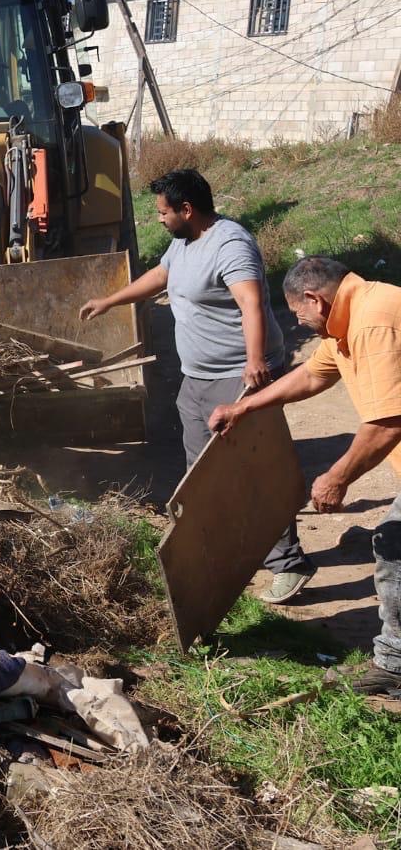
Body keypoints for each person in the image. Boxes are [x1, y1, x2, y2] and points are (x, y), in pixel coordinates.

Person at [80, 168, 314, 602]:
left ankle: (289, 563)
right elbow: (161, 276)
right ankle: (224, 554)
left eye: (163, 212)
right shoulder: (183, 242)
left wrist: (254, 362)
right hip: (197, 378)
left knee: (253, 469)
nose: (158, 219)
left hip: (238, 378)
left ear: (187, 209)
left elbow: (250, 304)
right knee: (200, 474)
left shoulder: (230, 244)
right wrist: (111, 301)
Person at [209, 257, 401, 696]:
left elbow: (388, 423)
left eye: (298, 313)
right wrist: (244, 407)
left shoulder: (372, 322)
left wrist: (337, 477)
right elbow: (313, 375)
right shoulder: (349, 318)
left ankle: (394, 666)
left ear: (315, 298)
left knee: (394, 546)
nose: (299, 323)